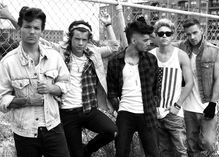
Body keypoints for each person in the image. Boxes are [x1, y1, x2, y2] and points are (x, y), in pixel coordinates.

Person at [0, 6, 70, 157]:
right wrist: (27, 100)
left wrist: (52, 88)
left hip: (53, 126)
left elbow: (65, 84)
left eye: (36, 28)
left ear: (41, 31)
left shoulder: (54, 57)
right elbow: (2, 98)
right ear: (20, 28)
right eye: (27, 27)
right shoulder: (8, 62)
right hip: (24, 130)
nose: (32, 32)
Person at [59, 20, 118, 157]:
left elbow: (115, 47)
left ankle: (87, 150)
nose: (80, 43)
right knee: (75, 154)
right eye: (77, 39)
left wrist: (109, 25)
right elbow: (39, 41)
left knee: (112, 131)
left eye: (84, 40)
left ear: (88, 40)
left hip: (88, 109)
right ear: (70, 38)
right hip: (67, 112)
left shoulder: (94, 52)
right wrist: (11, 18)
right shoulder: (60, 52)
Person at [107, 20, 159, 157]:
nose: (149, 43)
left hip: (147, 113)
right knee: (121, 152)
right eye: (146, 40)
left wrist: (155, 105)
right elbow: (111, 90)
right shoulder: (115, 61)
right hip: (125, 113)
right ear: (134, 40)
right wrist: (118, 107)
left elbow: (156, 87)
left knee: (153, 153)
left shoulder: (151, 60)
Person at [175, 18, 219, 157]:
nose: (192, 37)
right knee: (191, 145)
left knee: (208, 142)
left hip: (206, 105)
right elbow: (163, 41)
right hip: (188, 107)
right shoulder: (181, 47)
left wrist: (213, 104)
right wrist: (148, 28)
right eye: (188, 34)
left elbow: (218, 78)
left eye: (195, 32)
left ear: (202, 30)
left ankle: (213, 153)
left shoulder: (213, 50)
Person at [150, 18, 193, 157]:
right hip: (154, 111)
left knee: (180, 150)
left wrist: (177, 105)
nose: (164, 36)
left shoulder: (181, 55)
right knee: (161, 150)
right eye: (161, 33)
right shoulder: (150, 55)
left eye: (168, 33)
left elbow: (189, 83)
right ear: (155, 35)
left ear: (173, 35)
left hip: (173, 111)